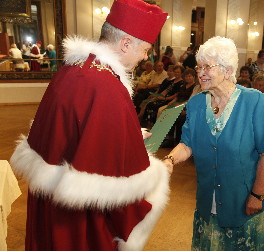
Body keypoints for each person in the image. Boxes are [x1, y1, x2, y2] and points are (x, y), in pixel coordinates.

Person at [10, 1, 170, 250]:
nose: (145, 57)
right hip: (79, 219)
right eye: (146, 49)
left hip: (52, 203)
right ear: (126, 43)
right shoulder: (105, 86)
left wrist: (127, 134)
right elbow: (115, 186)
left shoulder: (75, 69)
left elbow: (79, 131)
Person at [163, 36, 264, 250]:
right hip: (208, 197)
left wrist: (257, 195)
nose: (200, 72)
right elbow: (187, 144)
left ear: (228, 70)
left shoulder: (254, 101)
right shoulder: (197, 102)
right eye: (199, 66)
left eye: (208, 66)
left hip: (243, 200)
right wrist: (169, 160)